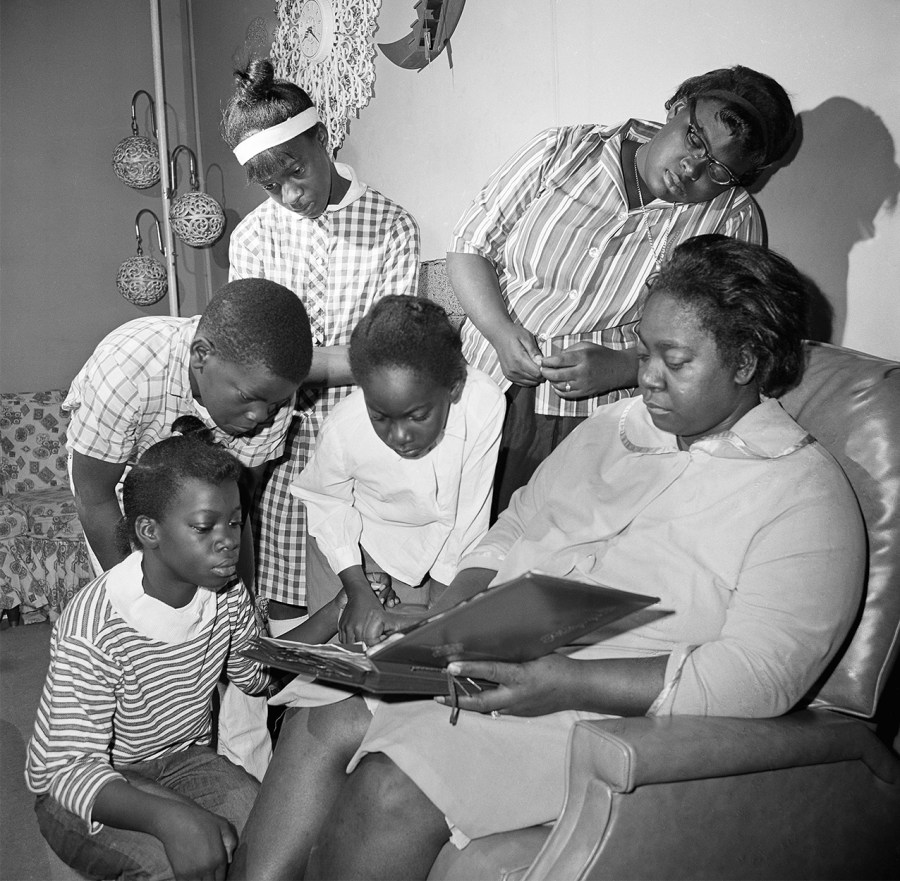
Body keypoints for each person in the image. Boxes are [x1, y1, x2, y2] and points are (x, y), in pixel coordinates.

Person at [227, 236, 866, 881]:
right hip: (494, 651)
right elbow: (516, 524)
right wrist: (449, 612)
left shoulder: (802, 494)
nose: (645, 376)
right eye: (645, 352)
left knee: (389, 789)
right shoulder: (611, 430)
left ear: (747, 362)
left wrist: (565, 681)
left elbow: (757, 679)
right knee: (321, 714)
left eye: (674, 360)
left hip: (596, 705)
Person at [447, 65, 797, 515]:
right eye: (695, 138)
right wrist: (497, 329)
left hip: (582, 423)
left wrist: (624, 367)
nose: (692, 169)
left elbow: (717, 348)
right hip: (473, 381)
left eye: (719, 169)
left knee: (529, 550)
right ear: (675, 108)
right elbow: (470, 246)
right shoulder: (563, 151)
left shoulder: (729, 220)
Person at [24, 427, 349, 881]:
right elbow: (66, 770)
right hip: (91, 781)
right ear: (149, 531)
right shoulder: (94, 626)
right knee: (174, 863)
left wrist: (334, 613)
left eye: (235, 522)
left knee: (268, 837)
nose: (229, 540)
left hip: (182, 761)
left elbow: (256, 675)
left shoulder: (226, 593)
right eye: (204, 526)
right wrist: (172, 818)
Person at [64, 277, 312, 781]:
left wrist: (230, 601)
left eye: (273, 403)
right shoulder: (127, 369)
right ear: (202, 356)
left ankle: (251, 777)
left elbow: (237, 511)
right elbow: (93, 495)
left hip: (207, 507)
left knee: (231, 635)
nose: (260, 416)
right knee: (148, 648)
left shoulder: (266, 400)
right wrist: (157, 601)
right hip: (124, 498)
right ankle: (136, 779)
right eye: (248, 399)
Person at [221, 58, 421, 638]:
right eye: (270, 186)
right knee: (283, 614)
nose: (290, 194)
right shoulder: (254, 237)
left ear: (322, 138)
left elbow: (389, 356)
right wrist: (330, 361)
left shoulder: (390, 225)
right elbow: (250, 361)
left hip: (364, 440)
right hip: (277, 448)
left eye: (297, 172)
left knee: (362, 612)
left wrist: (295, 363)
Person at [291, 295, 505, 642]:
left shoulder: (483, 404)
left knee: (418, 662)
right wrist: (357, 587)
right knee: (342, 672)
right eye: (380, 417)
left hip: (440, 556)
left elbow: (469, 517)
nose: (400, 436)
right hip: (353, 548)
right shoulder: (345, 426)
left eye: (418, 416)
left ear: (453, 389)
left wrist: (440, 608)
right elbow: (326, 502)